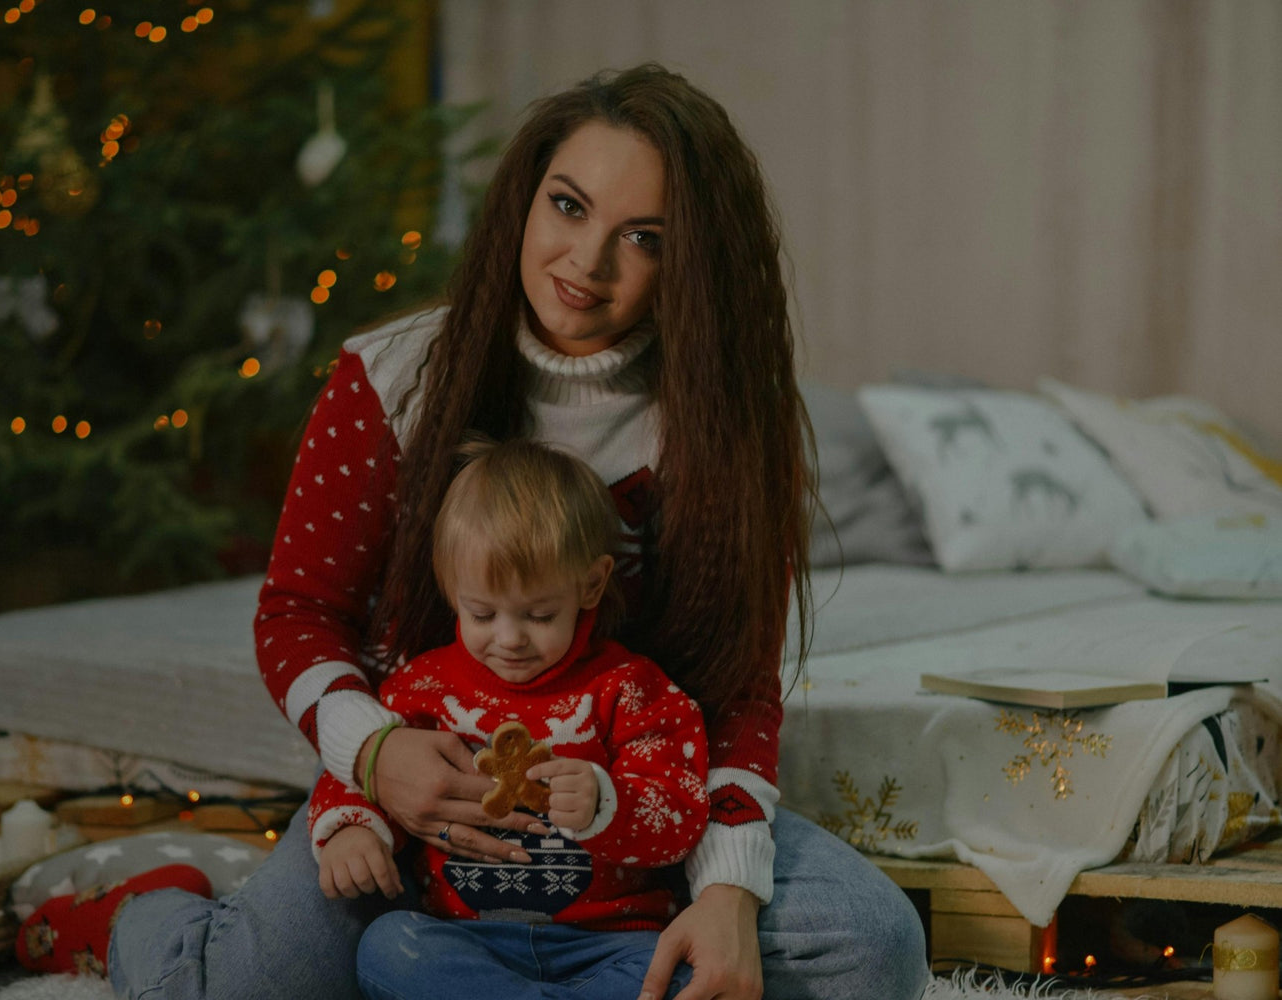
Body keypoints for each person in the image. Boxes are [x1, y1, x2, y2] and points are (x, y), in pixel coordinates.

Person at [101, 62, 928, 1000]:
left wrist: (731, 884)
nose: (588, 263)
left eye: (644, 238)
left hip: (645, 813)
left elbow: (739, 685)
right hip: (424, 806)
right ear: (523, 200)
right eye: (568, 207)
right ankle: (157, 906)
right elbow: (298, 611)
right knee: (246, 986)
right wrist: (376, 755)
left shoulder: (732, 415)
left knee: (872, 947)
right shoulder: (391, 377)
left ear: (695, 259)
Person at [307, 437, 708, 998]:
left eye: (540, 614)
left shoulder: (629, 689)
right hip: (469, 941)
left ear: (591, 584)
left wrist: (606, 801)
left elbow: (683, 815)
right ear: (451, 588)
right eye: (482, 612)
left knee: (686, 973)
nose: (510, 638)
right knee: (388, 947)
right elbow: (356, 775)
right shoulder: (422, 688)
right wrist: (352, 828)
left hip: (614, 941)